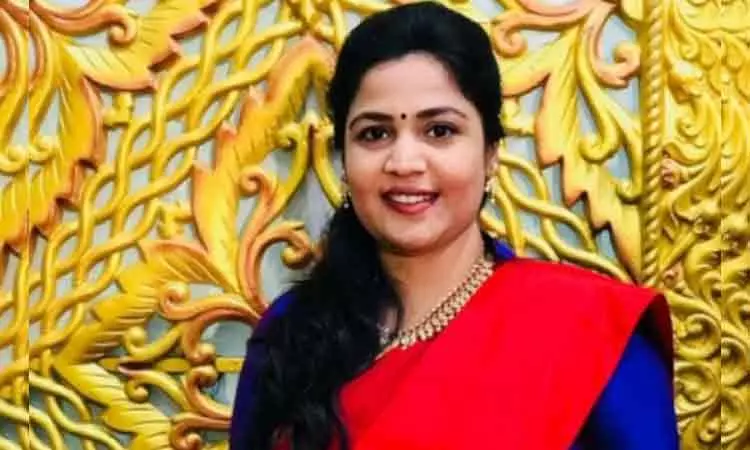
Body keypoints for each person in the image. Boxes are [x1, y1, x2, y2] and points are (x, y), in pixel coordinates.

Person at [230, 2, 679, 449]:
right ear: (344, 160)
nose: (404, 162)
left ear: (490, 154)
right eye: (374, 133)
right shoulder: (292, 332)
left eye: (440, 131)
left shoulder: (588, 332)